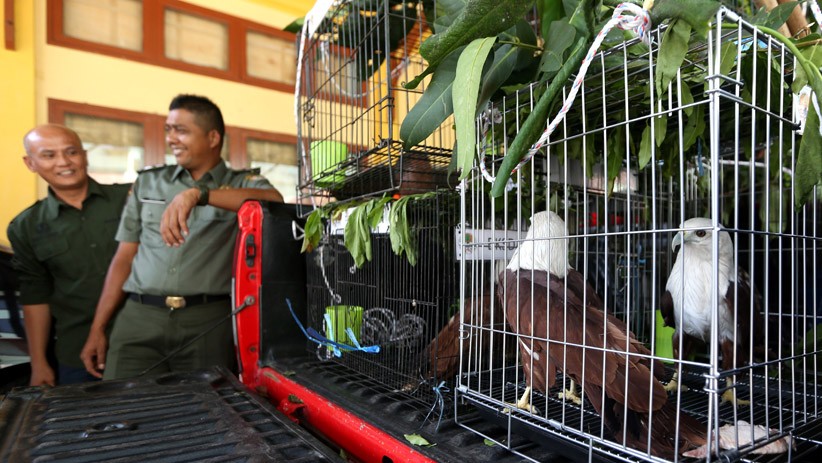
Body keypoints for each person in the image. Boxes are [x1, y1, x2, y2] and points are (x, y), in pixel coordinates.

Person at [80, 94, 283, 380]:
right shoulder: (149, 182)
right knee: (121, 409)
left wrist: (201, 195)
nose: (171, 139)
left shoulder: (241, 184)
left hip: (207, 323)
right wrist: (98, 328)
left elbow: (273, 200)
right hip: (139, 318)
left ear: (213, 137)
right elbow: (124, 257)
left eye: (182, 130)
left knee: (202, 414)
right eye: (168, 130)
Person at [7, 124, 131, 386]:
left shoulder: (129, 199)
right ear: (30, 163)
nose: (63, 162)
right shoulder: (25, 226)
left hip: (141, 343)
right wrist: (39, 363)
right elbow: (35, 296)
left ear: (84, 156)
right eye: (48, 155)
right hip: (78, 352)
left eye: (71, 152)